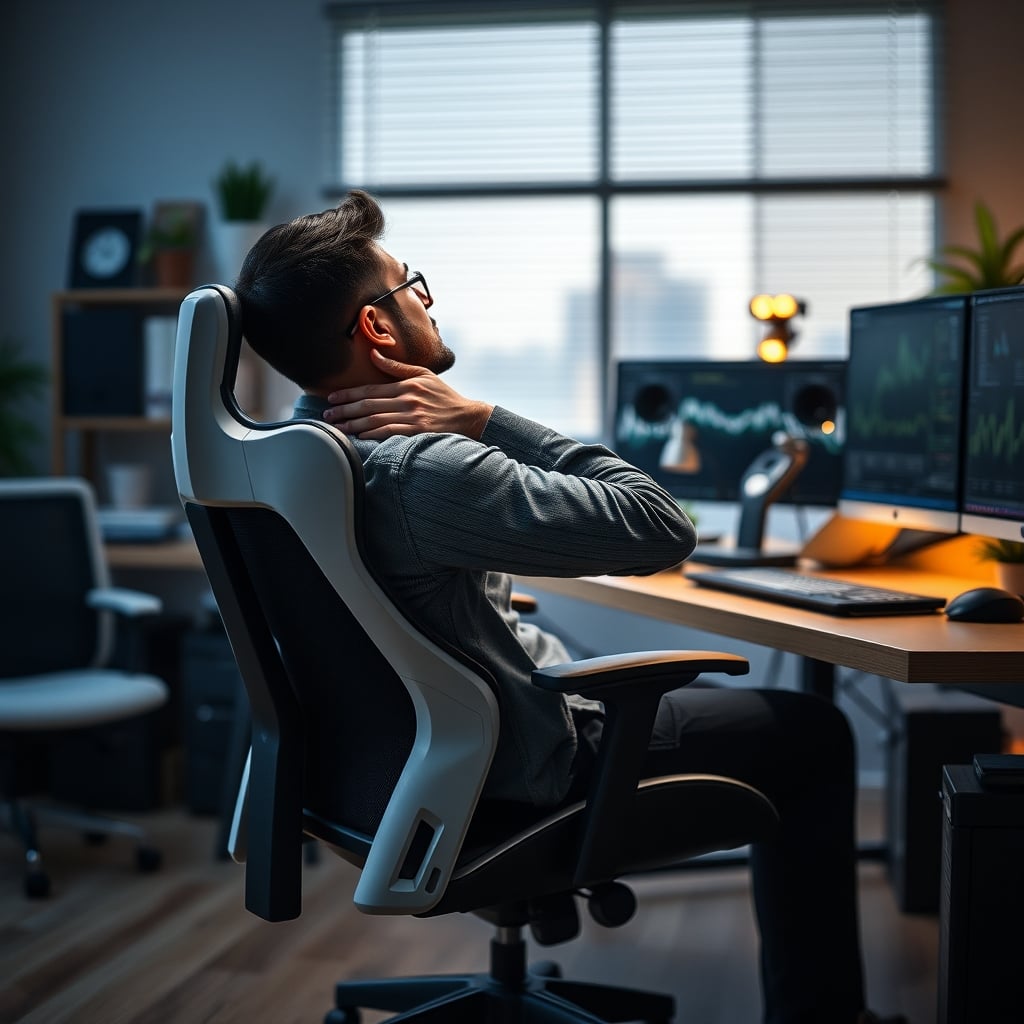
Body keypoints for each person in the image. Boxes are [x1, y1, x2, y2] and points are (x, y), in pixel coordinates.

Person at [234, 189, 905, 1024]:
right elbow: (662, 526)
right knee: (815, 733)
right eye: (413, 287)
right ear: (377, 326)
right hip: (517, 772)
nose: (429, 302)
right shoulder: (423, 469)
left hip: (371, 775)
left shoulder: (285, 461)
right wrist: (486, 418)